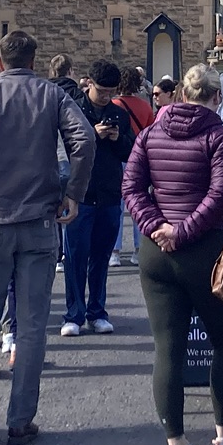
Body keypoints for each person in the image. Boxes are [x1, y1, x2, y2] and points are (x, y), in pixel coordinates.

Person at [0, 29, 97, 445]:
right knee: (31, 325)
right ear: (33, 62)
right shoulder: (52, 95)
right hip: (38, 220)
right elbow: (84, 139)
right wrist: (73, 193)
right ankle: (20, 420)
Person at [122, 63, 223, 445]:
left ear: (182, 95)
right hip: (205, 250)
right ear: (217, 97)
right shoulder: (219, 137)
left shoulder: (150, 134)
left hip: (157, 252)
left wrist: (156, 226)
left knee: (168, 348)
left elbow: (132, 188)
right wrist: (184, 230)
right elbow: (220, 195)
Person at [62, 60, 134, 336]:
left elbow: (130, 151)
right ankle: (73, 315)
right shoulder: (73, 110)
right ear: (88, 83)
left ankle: (97, 312)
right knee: (75, 258)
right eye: (101, 91)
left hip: (109, 193)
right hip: (79, 194)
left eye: (110, 92)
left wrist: (117, 139)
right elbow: (64, 147)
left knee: (101, 258)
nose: (106, 97)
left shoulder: (120, 114)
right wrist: (92, 134)